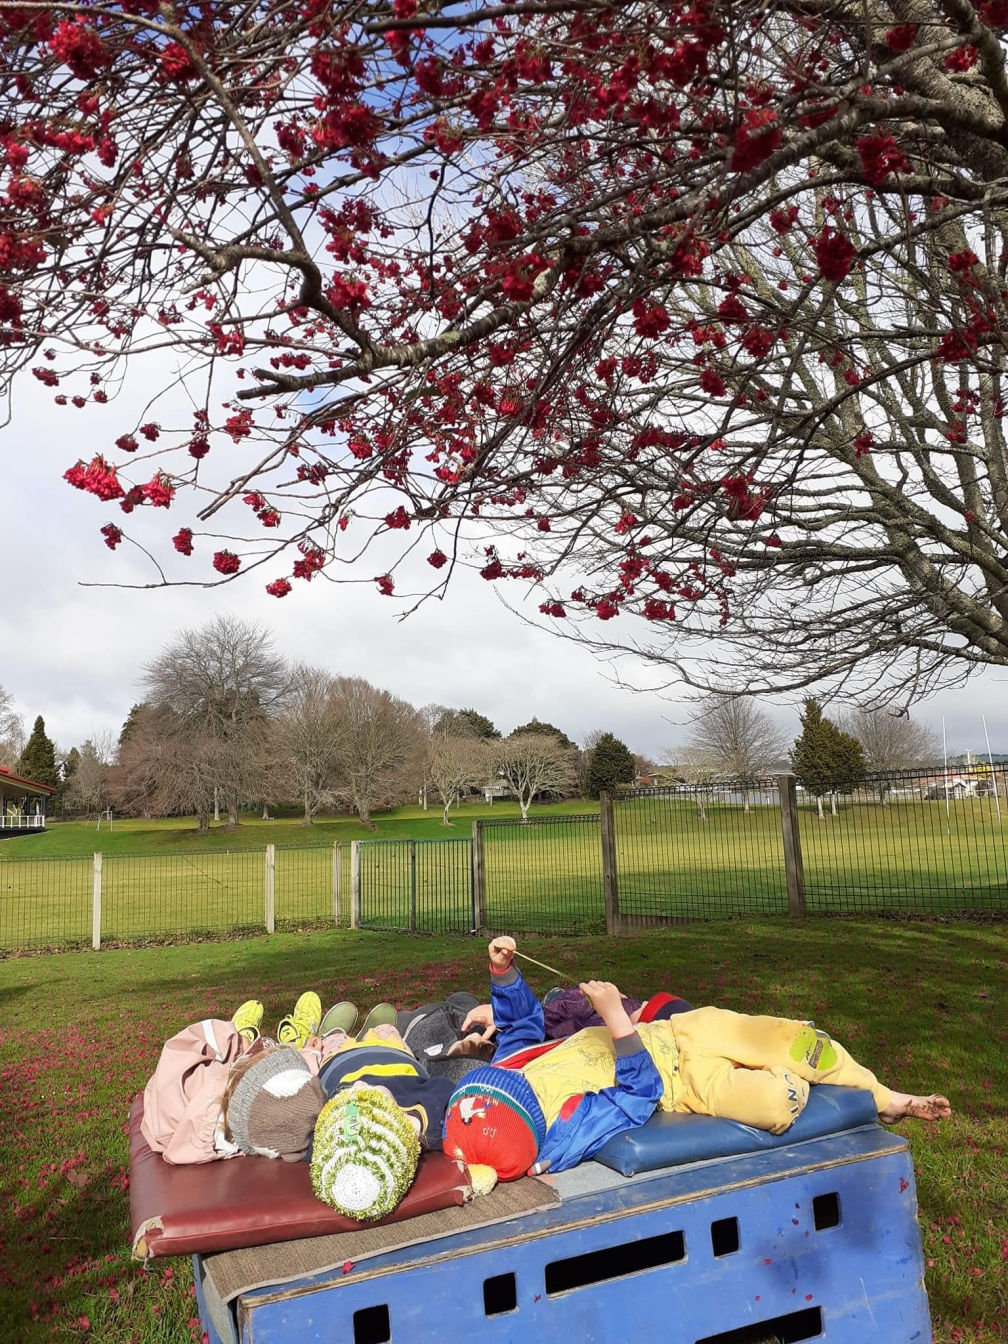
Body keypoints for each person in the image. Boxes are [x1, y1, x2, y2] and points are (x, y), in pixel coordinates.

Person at [442, 937, 952, 1182]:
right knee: (772, 1104)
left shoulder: (512, 1071)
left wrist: (502, 971)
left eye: (490, 1080)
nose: (504, 1078)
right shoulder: (566, 1128)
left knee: (792, 1043)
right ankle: (780, 1070)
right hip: (680, 1083)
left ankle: (887, 1099)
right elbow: (637, 1097)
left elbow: (524, 1027)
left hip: (680, 1030)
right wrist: (616, 1021)